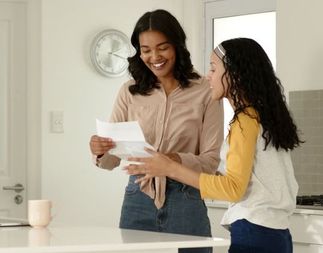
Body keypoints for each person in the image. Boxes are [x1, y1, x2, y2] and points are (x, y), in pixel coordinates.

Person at [125, 38, 303, 253]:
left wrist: (170, 168)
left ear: (235, 74)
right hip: (277, 234)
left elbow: (233, 189)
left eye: (213, 68)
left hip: (254, 233)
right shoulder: (264, 116)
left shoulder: (245, 121)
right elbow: (247, 179)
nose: (208, 75)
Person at [89, 9, 224, 253]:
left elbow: (211, 162)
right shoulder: (129, 91)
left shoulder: (205, 90)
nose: (154, 57)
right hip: (138, 197)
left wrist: (172, 161)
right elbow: (110, 161)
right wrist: (100, 151)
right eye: (146, 50)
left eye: (162, 48)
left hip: (187, 198)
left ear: (177, 46)